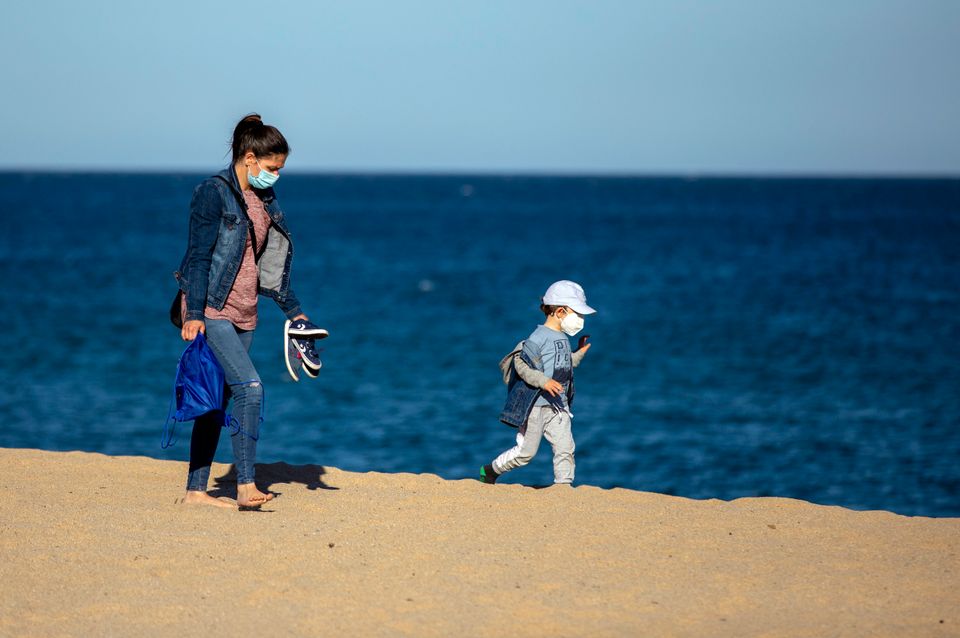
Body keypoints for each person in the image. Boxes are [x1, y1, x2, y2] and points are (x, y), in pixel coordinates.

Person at [173, 114, 324, 508]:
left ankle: (195, 492)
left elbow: (266, 265)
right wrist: (194, 315)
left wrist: (295, 312)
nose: (276, 176)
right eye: (273, 168)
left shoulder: (265, 199)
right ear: (251, 158)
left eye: (281, 169)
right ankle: (244, 485)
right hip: (212, 309)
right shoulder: (212, 192)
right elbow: (199, 257)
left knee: (217, 399)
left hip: (246, 310)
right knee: (250, 388)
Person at [480, 280, 596, 486]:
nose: (579, 319)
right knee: (526, 453)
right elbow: (521, 365)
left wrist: (578, 354)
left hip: (558, 405)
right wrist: (544, 382)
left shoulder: (562, 337)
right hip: (536, 405)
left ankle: (563, 486)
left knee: (565, 447)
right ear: (560, 311)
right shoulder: (539, 336)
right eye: (576, 314)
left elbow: (563, 366)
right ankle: (490, 470)